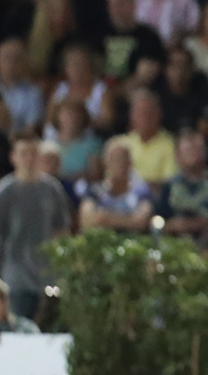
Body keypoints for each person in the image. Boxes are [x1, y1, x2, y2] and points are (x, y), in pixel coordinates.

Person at [0, 136, 72, 321]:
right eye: (24, 153)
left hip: (48, 277)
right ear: (13, 157)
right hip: (16, 277)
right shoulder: (5, 192)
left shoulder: (52, 190)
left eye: (34, 153)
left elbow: (61, 231)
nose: (29, 159)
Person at [78, 140, 152, 232]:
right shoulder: (93, 191)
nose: (121, 164)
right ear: (106, 162)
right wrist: (129, 219)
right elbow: (86, 222)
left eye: (125, 159)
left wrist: (105, 218)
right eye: (116, 159)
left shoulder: (141, 191)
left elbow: (141, 222)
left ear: (130, 163)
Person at [116, 89, 177, 187]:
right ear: (132, 116)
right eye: (140, 113)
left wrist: (136, 187)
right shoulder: (119, 144)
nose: (145, 117)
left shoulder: (171, 144)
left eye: (149, 112)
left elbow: (169, 183)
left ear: (159, 114)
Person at [0, 37, 44, 136]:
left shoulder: (34, 93)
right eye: (6, 58)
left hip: (16, 143)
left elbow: (31, 130)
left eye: (16, 59)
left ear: (24, 63)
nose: (11, 64)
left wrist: (9, 137)